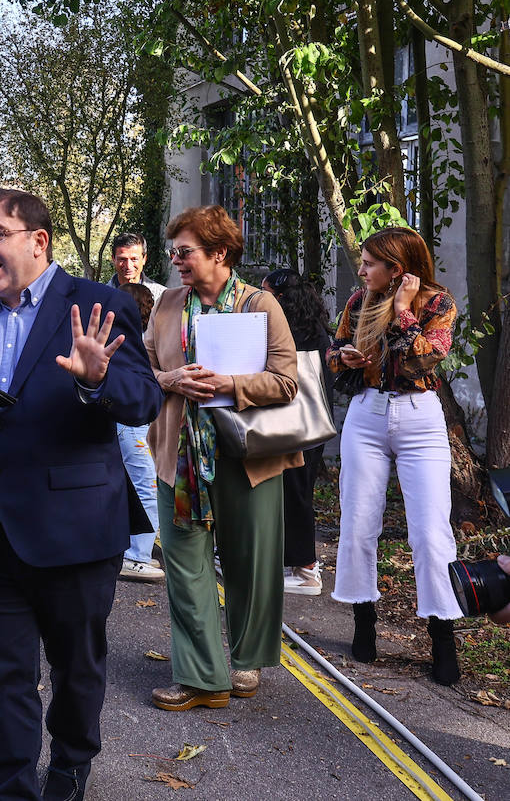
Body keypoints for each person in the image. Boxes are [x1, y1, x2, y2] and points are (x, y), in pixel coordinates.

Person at [0, 189, 161, 801]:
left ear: (37, 241)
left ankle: (72, 767)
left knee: (76, 670)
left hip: (74, 529)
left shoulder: (100, 303)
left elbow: (143, 401)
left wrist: (98, 378)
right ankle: (11, 789)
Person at [144, 205, 300, 712]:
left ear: (219, 252)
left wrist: (230, 384)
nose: (176, 261)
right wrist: (171, 380)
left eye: (185, 252)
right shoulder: (166, 304)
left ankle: (246, 659)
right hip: (180, 454)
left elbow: (286, 381)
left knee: (248, 561)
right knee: (185, 564)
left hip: (247, 453)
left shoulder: (260, 305)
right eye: (174, 252)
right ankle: (202, 676)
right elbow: (142, 369)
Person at [327, 226, 461, 685]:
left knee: (430, 532)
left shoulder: (438, 304)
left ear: (397, 271)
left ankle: (443, 636)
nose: (361, 270)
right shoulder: (357, 302)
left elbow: (424, 361)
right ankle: (365, 625)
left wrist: (403, 311)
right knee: (358, 523)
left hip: (421, 420)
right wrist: (342, 358)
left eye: (369, 263)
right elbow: (333, 351)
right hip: (366, 415)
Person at [261, 268, 333, 597]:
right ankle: (298, 564)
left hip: (297, 421)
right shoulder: (312, 328)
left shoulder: (289, 330)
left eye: (266, 294)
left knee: (296, 491)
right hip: (309, 421)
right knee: (294, 489)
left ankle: (306, 569)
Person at [118, 282, 165, 582]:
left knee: (137, 484)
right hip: (131, 424)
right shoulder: (137, 339)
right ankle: (136, 556)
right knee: (148, 487)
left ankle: (134, 551)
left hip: (126, 424)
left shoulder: (118, 336)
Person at [109, 231, 166, 299]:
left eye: (134, 259)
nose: (128, 266)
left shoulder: (162, 296)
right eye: (122, 259)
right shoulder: (100, 296)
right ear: (113, 259)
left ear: (144, 259)